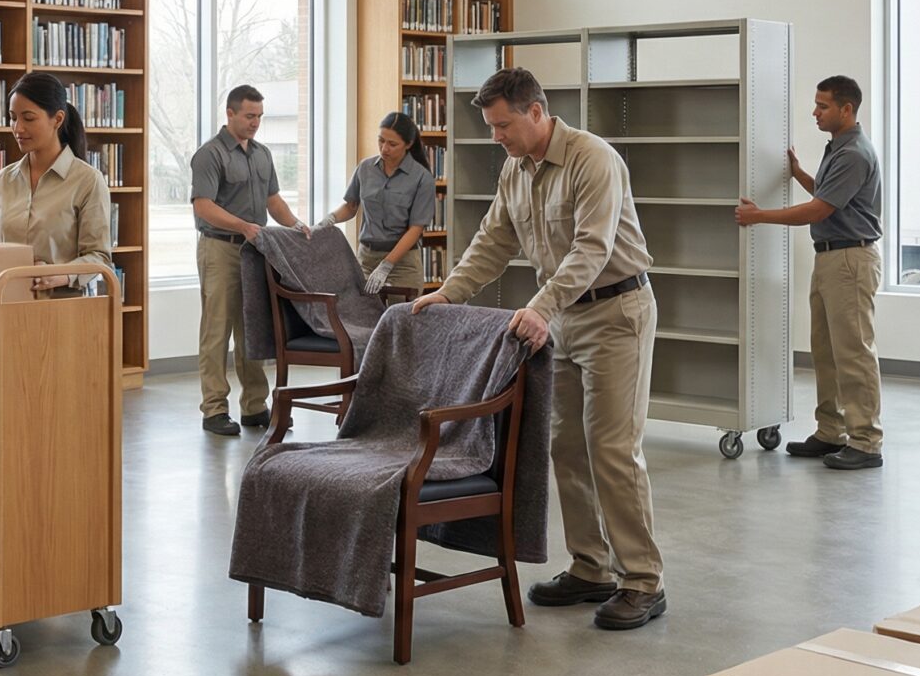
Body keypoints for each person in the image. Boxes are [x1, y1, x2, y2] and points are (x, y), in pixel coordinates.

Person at [410, 67, 667, 630]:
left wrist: (541, 307)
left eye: (503, 125)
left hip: (616, 312)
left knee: (612, 449)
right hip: (563, 320)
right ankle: (590, 567)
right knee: (566, 447)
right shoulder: (514, 171)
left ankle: (644, 580)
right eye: (491, 127)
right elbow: (493, 241)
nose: (496, 136)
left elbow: (592, 248)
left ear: (536, 111)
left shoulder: (592, 159)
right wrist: (450, 292)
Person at [738, 74, 884, 471]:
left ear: (846, 109)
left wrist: (758, 216)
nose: (814, 112)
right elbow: (826, 193)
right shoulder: (838, 148)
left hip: (849, 261)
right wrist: (799, 172)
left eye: (822, 106)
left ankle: (866, 442)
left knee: (853, 352)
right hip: (831, 259)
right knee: (826, 351)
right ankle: (830, 431)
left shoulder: (854, 152)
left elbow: (819, 211)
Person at [191, 84, 304, 437]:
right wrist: (243, 226)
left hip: (255, 250)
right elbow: (203, 205)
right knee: (217, 329)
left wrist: (297, 225)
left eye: (259, 116)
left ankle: (254, 406)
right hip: (220, 249)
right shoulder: (209, 155)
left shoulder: (262, 154)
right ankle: (214, 409)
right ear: (230, 113)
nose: (255, 122)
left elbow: (273, 200)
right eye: (249, 115)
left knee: (252, 329)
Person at [0, 72, 112, 293]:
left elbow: (99, 257)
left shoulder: (88, 181)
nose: (18, 128)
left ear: (57, 119)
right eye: (13, 118)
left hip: (64, 311)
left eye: (28, 118)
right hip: (5, 309)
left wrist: (58, 275)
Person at [321, 111, 437, 294]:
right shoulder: (365, 168)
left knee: (400, 318)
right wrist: (330, 219)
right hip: (366, 259)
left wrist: (387, 264)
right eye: (381, 141)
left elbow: (415, 230)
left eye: (392, 144)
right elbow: (351, 206)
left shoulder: (422, 178)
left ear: (408, 144)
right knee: (362, 316)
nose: (384, 149)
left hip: (402, 264)